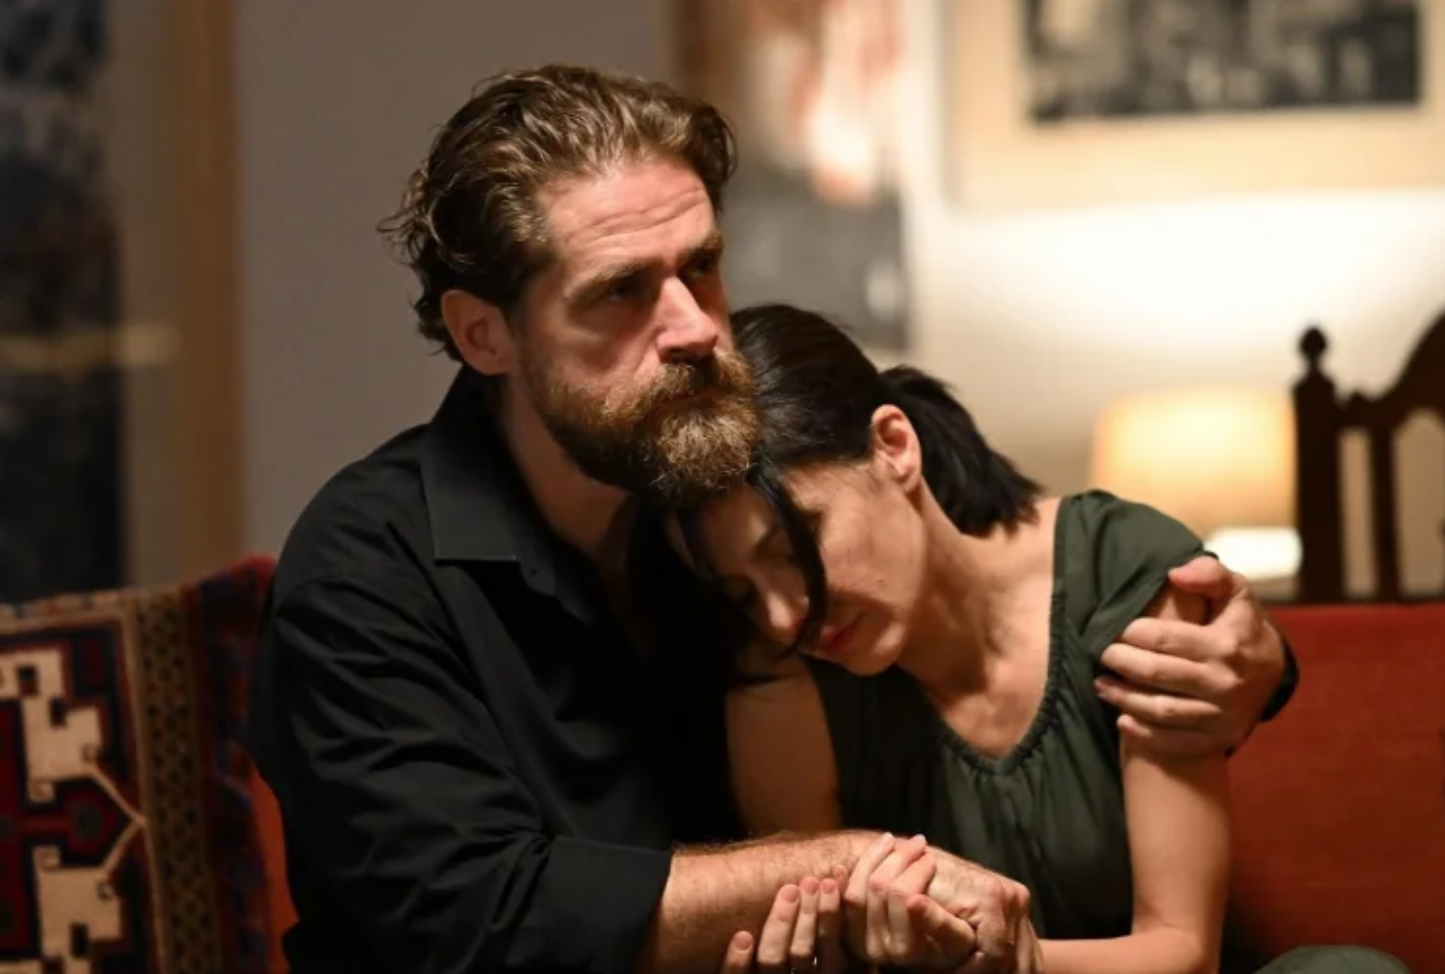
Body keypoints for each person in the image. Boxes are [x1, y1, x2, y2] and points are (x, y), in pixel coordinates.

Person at [245, 64, 1300, 974]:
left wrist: (1255, 656)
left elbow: (985, 559)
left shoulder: (720, 468)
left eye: (701, 266)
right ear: (485, 335)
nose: (695, 327)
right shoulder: (364, 572)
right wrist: (844, 868)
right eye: (620, 292)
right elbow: (478, 918)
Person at [641, 302, 1408, 974]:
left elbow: (1181, 950)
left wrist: (1005, 961)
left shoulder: (1120, 571)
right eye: (742, 592)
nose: (785, 617)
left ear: (895, 446)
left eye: (795, 546)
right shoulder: (780, 689)